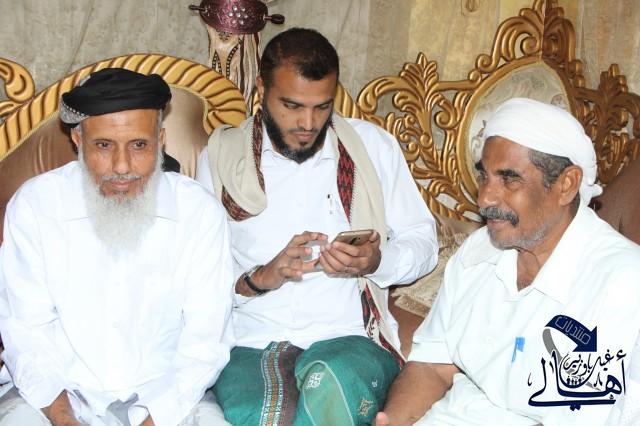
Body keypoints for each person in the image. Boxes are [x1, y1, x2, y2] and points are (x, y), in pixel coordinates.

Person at [195, 27, 438, 425]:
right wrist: (260, 278)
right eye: (291, 106)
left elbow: (423, 242)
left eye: (322, 107)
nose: (307, 123)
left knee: (331, 392)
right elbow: (196, 276)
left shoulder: (372, 148)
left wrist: (376, 261)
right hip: (252, 340)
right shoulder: (222, 157)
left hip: (351, 338)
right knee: (263, 415)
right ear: (262, 89)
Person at [376, 97, 640, 425]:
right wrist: (393, 421)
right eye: (484, 176)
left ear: (566, 185)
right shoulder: (478, 253)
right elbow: (433, 366)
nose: (485, 197)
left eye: (509, 179)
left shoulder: (624, 284)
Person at [0, 68, 234, 426]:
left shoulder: (198, 212)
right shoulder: (36, 205)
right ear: (78, 139)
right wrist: (64, 419)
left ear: (160, 140)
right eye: (104, 145)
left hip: (167, 400)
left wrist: (154, 419)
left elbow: (205, 343)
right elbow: (26, 332)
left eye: (139, 145)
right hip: (57, 397)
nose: (122, 167)